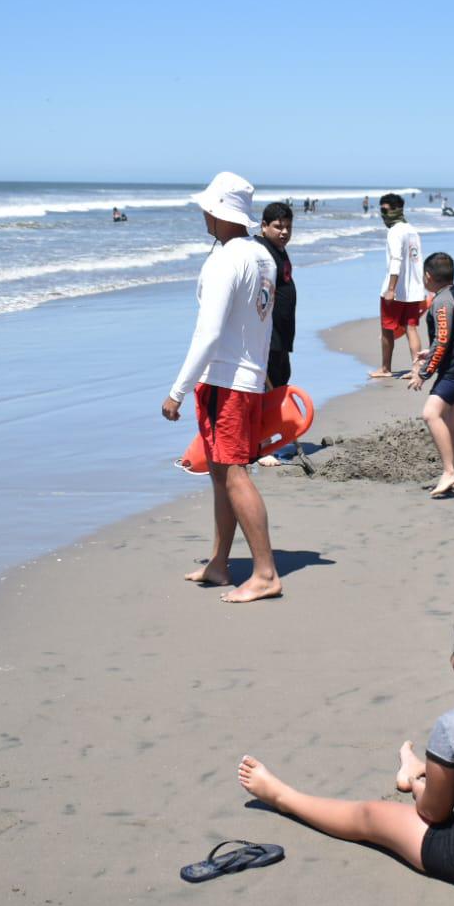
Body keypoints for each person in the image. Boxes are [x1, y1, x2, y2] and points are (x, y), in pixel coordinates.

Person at [236, 605, 454, 889]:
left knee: (370, 816)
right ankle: (415, 772)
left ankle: (284, 797)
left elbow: (432, 814)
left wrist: (416, 787)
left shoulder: (453, 724)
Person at [162, 172, 282, 604]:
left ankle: (265, 573)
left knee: (232, 474)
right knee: (219, 474)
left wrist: (178, 389)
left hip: (225, 382)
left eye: (207, 208)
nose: (203, 214)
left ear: (218, 212)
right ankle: (219, 564)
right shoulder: (262, 256)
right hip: (246, 379)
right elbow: (263, 320)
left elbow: (209, 332)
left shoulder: (226, 258)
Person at [408, 252, 454, 498]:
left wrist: (424, 372)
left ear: (428, 276)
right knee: (451, 422)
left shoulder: (442, 302)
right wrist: (430, 352)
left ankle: (449, 470)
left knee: (430, 414)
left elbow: (443, 340)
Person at [254, 202, 296, 468]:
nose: (284, 232)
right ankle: (263, 445)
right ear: (264, 226)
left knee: (280, 382)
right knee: (264, 389)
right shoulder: (261, 253)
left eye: (288, 227)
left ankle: (272, 439)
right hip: (267, 334)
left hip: (282, 334)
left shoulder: (279, 250)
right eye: (278, 227)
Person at [371, 193, 425, 378]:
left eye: (385, 210)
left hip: (396, 290)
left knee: (387, 329)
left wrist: (391, 289)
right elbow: (417, 259)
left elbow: (396, 260)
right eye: (381, 210)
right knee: (411, 328)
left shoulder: (394, 231)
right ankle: (416, 368)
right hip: (413, 290)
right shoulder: (412, 230)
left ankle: (385, 368)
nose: (383, 215)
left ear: (395, 210)